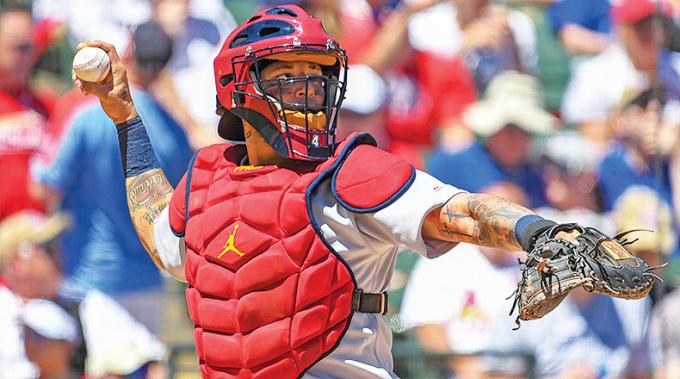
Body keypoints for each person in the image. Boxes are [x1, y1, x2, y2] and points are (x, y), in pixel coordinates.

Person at [74, 5, 623, 378]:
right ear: (238, 90)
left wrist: (540, 233)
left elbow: (461, 213)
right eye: (289, 78)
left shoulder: (352, 169)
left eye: (317, 79)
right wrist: (127, 119)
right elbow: (160, 239)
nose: (310, 94)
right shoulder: (207, 178)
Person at [31, 21, 194, 335]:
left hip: (90, 277)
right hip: (150, 277)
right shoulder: (174, 130)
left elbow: (43, 186)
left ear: (129, 52)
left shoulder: (83, 112)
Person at [0, 211, 166, 379]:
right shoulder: (4, 314)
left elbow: (153, 366)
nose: (59, 252)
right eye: (48, 247)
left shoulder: (87, 304)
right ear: (17, 264)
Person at [428, 71, 557, 209]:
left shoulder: (531, 173)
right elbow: (500, 202)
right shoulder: (455, 160)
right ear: (491, 130)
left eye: (527, 131)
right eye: (510, 129)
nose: (519, 139)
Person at [0, 2, 53, 220]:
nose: (28, 56)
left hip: (39, 239)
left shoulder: (47, 105)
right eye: (19, 48)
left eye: (31, 47)